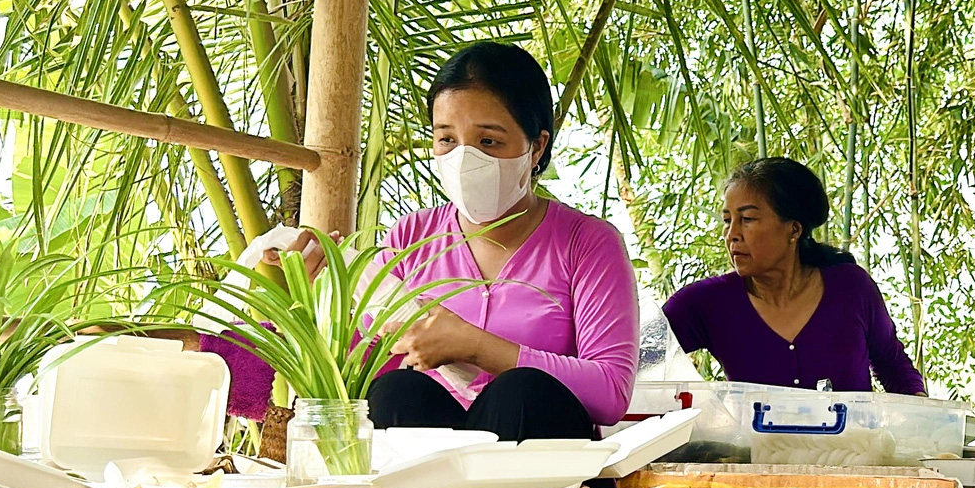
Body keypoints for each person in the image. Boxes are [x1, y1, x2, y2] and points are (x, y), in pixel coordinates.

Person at [212, 42, 639, 447]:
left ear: (536, 146)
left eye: (488, 141)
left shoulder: (588, 244)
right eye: (447, 139)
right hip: (435, 483)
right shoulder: (410, 240)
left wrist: (475, 346)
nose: (465, 158)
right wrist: (318, 294)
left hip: (546, 476)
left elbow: (611, 391)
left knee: (521, 393)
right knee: (397, 391)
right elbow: (357, 374)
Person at [662, 156, 925, 394]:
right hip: (759, 450)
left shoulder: (851, 287)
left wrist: (930, 422)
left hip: (854, 448)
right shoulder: (705, 303)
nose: (732, 234)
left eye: (748, 219)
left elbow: (894, 368)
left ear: (794, 229)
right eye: (728, 220)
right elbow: (634, 363)